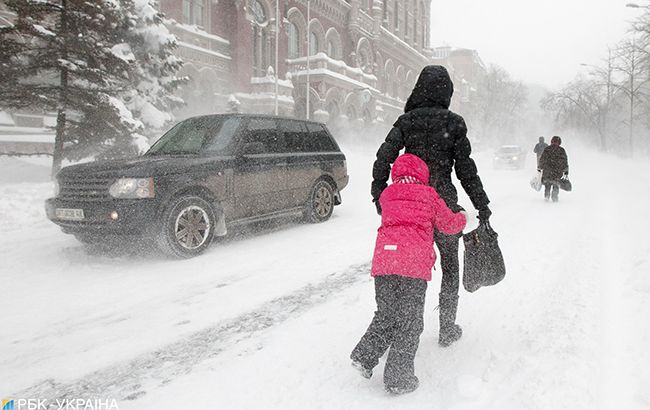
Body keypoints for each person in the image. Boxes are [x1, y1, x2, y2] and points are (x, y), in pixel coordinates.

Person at [371, 65, 491, 348]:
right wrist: (481, 204)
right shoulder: (454, 123)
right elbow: (466, 170)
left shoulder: (406, 121)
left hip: (413, 205)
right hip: (444, 204)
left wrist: (379, 194)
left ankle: (394, 327)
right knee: (450, 267)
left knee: (403, 266)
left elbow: (383, 157)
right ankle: (447, 328)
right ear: (447, 91)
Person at [351, 153, 466, 395]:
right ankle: (398, 378)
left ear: (397, 173)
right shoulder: (429, 195)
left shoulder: (387, 195)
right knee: (409, 322)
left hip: (384, 263)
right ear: (423, 175)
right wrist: (463, 218)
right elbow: (448, 225)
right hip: (412, 266)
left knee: (387, 314)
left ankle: (364, 355)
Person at [538, 135, 569, 202]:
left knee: (547, 184)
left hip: (547, 171)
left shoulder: (547, 149)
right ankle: (554, 197)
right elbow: (565, 161)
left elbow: (542, 159)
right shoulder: (561, 150)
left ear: (551, 141)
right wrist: (566, 170)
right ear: (559, 142)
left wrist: (540, 167)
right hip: (557, 172)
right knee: (556, 185)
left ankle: (547, 196)